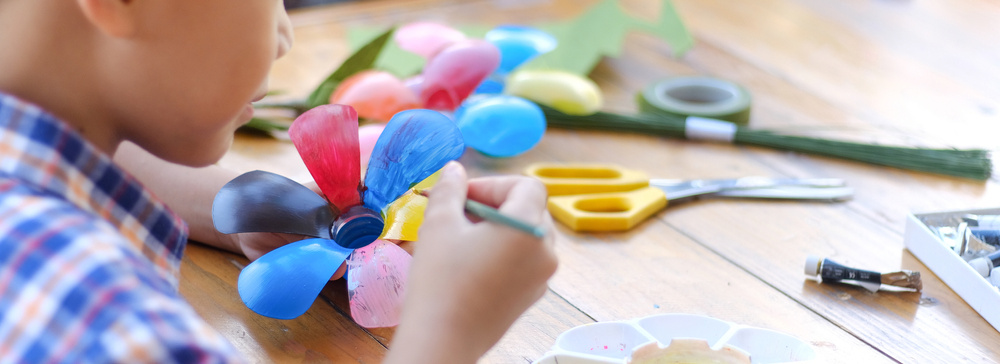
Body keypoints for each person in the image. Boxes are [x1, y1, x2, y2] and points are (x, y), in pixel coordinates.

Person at [0, 0, 557, 363]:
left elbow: (107, 159)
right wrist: (449, 330)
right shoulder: (103, 312)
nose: (286, 35)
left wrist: (251, 209)